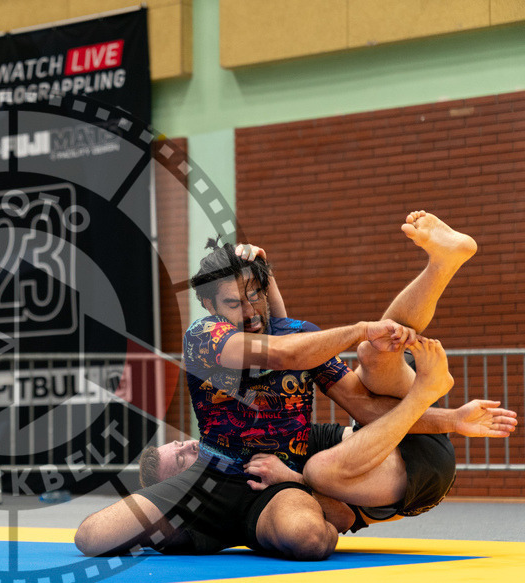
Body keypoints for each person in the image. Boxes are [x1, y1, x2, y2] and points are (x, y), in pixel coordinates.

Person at [75, 212, 500, 559]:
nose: (249, 310)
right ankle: (222, 530)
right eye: (232, 303)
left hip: (276, 480)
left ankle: (442, 263)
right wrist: (360, 328)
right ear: (208, 306)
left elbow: (364, 407)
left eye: (255, 295)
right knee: (94, 536)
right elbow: (284, 355)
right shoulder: (203, 337)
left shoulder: (300, 333)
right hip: (212, 479)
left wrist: (453, 420)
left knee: (308, 539)